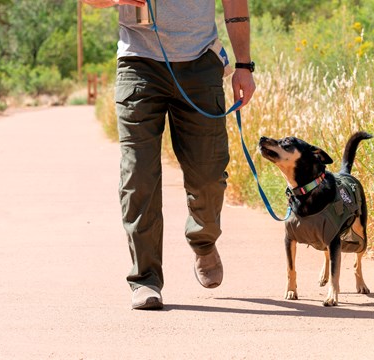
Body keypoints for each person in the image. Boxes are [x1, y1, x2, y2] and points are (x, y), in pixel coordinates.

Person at [82, 0, 255, 310]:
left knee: (209, 175)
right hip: (138, 64)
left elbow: (234, 3)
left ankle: (204, 241)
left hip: (201, 63)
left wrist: (244, 65)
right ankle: (146, 279)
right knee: (138, 176)